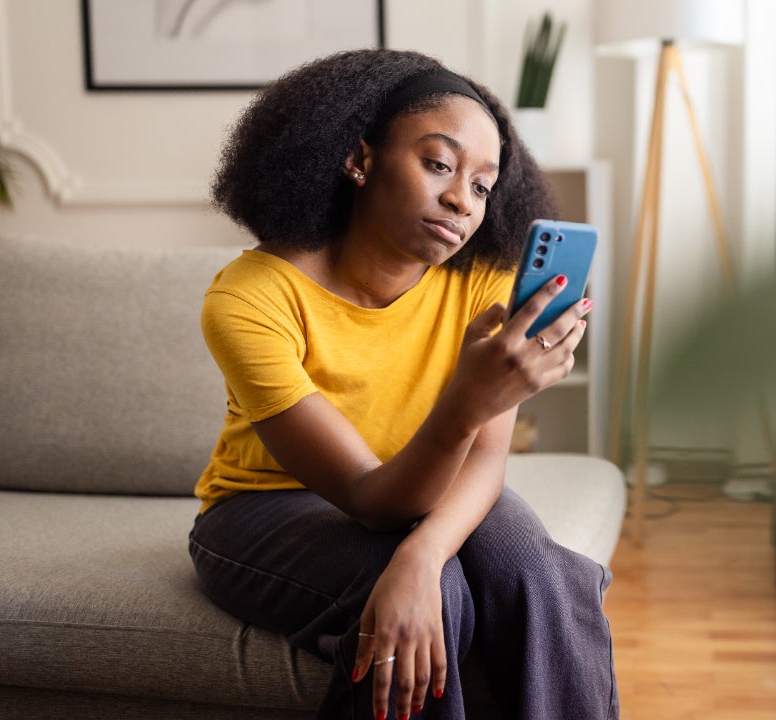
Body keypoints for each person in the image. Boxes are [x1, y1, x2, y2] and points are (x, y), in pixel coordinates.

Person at [187, 49, 619, 720]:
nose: (461, 201)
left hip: (419, 494)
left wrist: (421, 552)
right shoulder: (251, 298)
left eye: (483, 185)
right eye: (439, 164)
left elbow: (486, 462)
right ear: (359, 159)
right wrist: (469, 403)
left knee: (536, 570)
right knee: (432, 600)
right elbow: (371, 500)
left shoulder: (482, 281)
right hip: (264, 511)